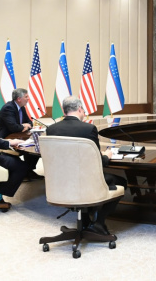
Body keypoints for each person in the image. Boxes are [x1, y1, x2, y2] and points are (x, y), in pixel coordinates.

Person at [46, 96, 126, 236]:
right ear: (80, 109)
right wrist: (106, 156)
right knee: (121, 182)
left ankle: (85, 221)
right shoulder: (88, 129)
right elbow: (97, 162)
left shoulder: (51, 129)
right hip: (84, 182)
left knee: (85, 179)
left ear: (64, 111)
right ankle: (98, 223)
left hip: (60, 182)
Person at [0, 88, 43, 180]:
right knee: (30, 149)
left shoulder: (21, 107)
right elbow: (13, 127)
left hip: (19, 135)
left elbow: (30, 122)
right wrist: (23, 126)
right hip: (7, 137)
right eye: (26, 97)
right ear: (19, 99)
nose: (28, 98)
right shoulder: (8, 108)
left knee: (35, 144)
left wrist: (24, 126)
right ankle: (26, 172)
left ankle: (28, 171)